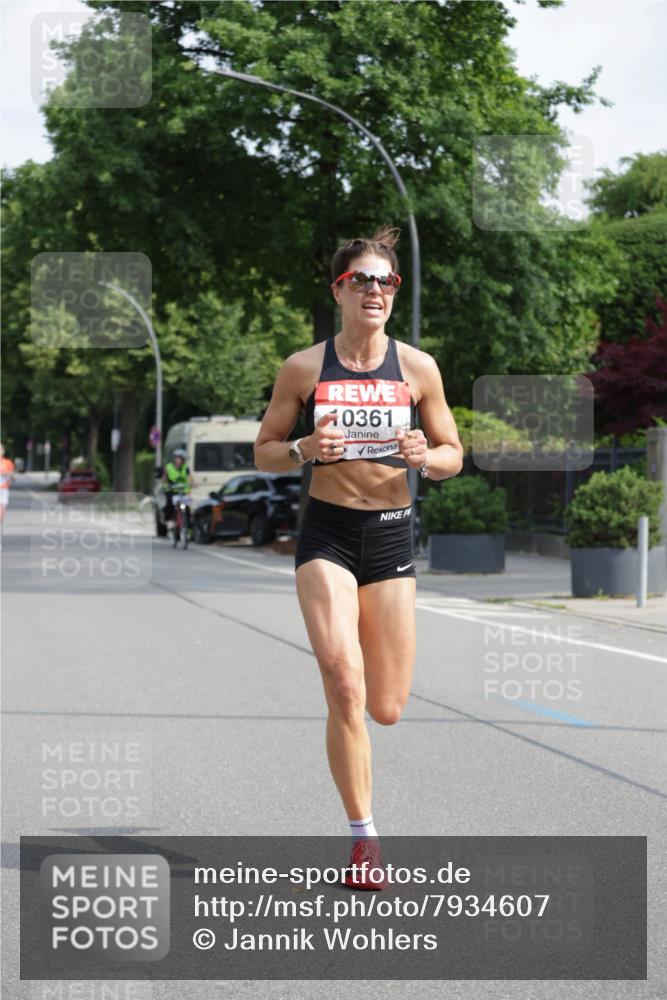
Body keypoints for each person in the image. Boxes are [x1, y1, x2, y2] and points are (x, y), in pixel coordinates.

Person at [254, 226, 464, 889]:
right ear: (338, 290)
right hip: (327, 535)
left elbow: (452, 455)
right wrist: (302, 451)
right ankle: (363, 837)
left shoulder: (419, 368)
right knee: (343, 683)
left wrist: (422, 458)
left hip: (392, 532)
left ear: (393, 293)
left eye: (385, 280)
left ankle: (364, 770)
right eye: (361, 280)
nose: (374, 289)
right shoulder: (304, 367)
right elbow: (264, 448)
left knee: (386, 706)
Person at [161, 449, 195, 529]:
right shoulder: (168, 467)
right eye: (177, 458)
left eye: (180, 459)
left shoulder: (185, 468)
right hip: (172, 491)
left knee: (186, 507)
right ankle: (169, 520)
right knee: (169, 504)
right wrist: (165, 486)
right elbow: (164, 480)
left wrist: (193, 484)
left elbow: (190, 479)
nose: (179, 460)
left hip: (182, 491)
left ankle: (188, 524)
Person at [0, 443, 16, 527]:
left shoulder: (8, 462)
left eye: (1, 449)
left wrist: (7, 474)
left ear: (3, 451)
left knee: (2, 506)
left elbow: (13, 478)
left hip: (4, 488)